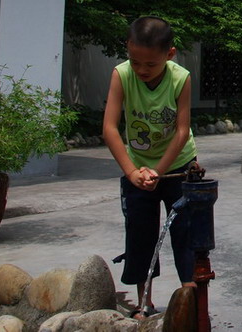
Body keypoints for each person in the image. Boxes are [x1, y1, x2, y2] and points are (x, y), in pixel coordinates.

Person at [102, 16, 197, 318]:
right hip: (138, 170)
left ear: (170, 54)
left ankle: (190, 298)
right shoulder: (122, 75)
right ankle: (145, 303)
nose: (142, 70)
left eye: (151, 65)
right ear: (128, 48)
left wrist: (160, 170)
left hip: (178, 166)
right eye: (135, 61)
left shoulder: (181, 78)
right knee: (141, 233)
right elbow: (110, 128)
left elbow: (182, 131)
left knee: (185, 232)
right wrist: (132, 171)